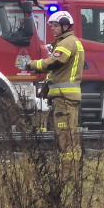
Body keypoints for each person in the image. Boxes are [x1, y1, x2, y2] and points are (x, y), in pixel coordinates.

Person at [22, 10, 85, 174]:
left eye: (56, 26)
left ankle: (68, 173)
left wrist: (31, 64)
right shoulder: (69, 42)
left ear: (65, 26)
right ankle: (72, 171)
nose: (53, 29)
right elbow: (58, 72)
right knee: (68, 134)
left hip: (64, 98)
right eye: (52, 26)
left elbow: (55, 62)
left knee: (65, 136)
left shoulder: (67, 42)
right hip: (64, 97)